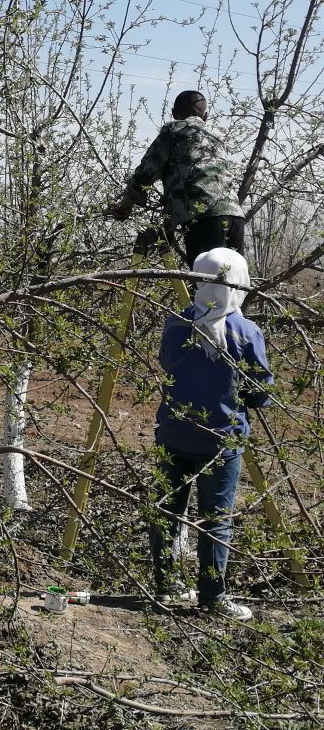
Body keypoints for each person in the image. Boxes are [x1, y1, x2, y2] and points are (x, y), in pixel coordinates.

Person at [148, 248, 271, 622]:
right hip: (221, 442)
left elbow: (168, 364)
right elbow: (259, 391)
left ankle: (166, 586)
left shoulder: (176, 324)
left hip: (172, 434)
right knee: (215, 519)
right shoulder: (246, 331)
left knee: (167, 510)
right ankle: (212, 596)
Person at [105, 90, 245, 267]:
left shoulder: (174, 130)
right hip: (236, 217)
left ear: (174, 114)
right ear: (206, 116)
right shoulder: (216, 137)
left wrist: (125, 206)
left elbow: (145, 173)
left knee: (205, 288)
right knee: (233, 287)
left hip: (203, 219)